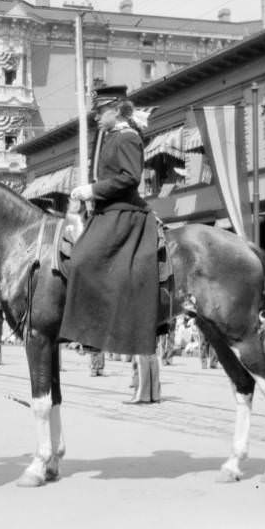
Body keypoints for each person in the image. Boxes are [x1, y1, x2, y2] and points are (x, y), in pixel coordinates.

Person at [62, 84, 159, 356]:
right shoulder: (110, 136)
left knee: (83, 260)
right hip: (106, 210)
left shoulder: (127, 137)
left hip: (123, 210)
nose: (96, 116)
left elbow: (130, 177)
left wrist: (92, 190)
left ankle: (96, 330)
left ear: (116, 110)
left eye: (100, 111)